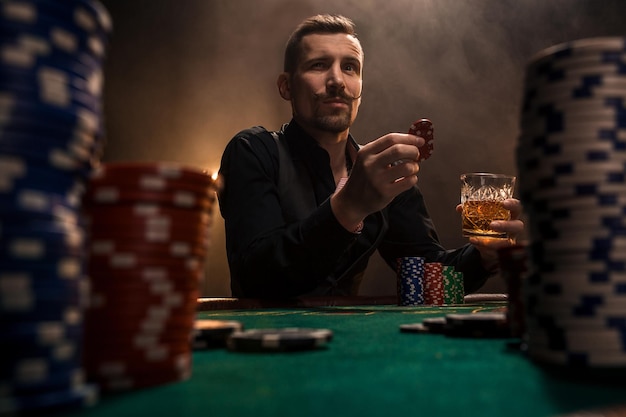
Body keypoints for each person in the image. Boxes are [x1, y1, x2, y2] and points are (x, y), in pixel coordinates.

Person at [218, 14, 524, 298]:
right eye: (319, 65)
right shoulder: (252, 151)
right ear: (287, 86)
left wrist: (484, 258)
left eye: (350, 67)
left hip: (351, 348)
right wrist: (348, 207)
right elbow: (255, 279)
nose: (337, 80)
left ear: (360, 88)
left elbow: (430, 281)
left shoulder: (385, 175)